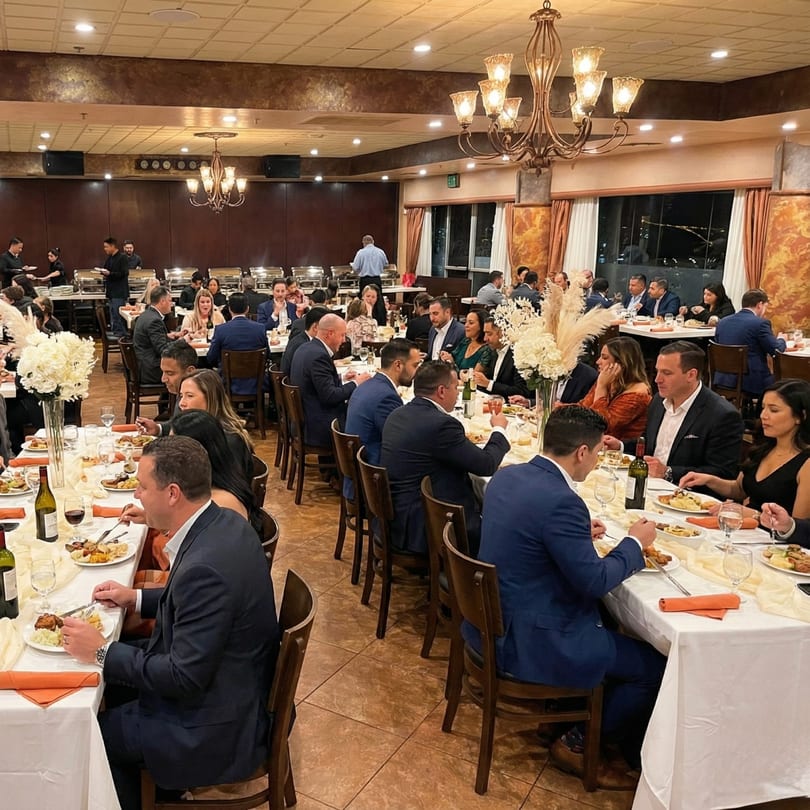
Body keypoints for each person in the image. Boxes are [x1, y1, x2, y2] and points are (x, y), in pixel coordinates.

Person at [61, 437, 279, 810]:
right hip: (230, 680)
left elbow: (184, 678)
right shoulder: (222, 520)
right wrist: (137, 598)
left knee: (88, 733)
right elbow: (200, 604)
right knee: (109, 683)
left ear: (173, 493)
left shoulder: (205, 567)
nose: (138, 494)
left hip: (215, 724)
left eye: (144, 487)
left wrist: (101, 650)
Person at [473, 406, 664, 787]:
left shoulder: (507, 476)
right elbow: (594, 582)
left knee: (613, 622)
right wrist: (634, 544)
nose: (594, 463)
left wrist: (575, 537)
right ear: (581, 451)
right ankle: (579, 744)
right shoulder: (563, 501)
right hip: (530, 637)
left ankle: (569, 717)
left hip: (493, 619)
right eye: (595, 455)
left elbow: (529, 536)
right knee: (655, 668)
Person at [381, 360, 510, 554]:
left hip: (396, 512)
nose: (458, 393)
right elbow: (486, 465)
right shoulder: (441, 425)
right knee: (505, 526)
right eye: (456, 387)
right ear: (441, 391)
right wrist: (499, 429)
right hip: (425, 524)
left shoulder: (398, 414)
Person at [605, 341, 743, 488]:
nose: (657, 379)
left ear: (691, 375)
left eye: (666, 373)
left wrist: (668, 472)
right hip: (648, 486)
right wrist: (619, 446)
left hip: (687, 496)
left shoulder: (722, 415)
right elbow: (649, 444)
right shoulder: (658, 401)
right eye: (658, 371)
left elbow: (721, 473)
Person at [680, 378, 810, 517]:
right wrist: (709, 480)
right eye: (763, 408)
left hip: (772, 536)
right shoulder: (764, 448)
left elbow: (798, 527)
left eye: (773, 410)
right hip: (744, 529)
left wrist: (753, 515)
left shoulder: (806, 463)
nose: (763, 416)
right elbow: (739, 489)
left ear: (800, 416)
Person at [170, 410, 262, 533]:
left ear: (197, 453)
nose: (167, 454)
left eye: (173, 448)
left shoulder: (220, 504)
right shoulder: (218, 475)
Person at [290, 313, 370, 447]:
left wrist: (341, 378)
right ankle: (353, 465)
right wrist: (356, 383)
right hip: (318, 425)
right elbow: (330, 396)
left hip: (307, 416)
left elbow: (314, 382)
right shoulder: (319, 356)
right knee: (365, 421)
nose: (344, 340)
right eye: (342, 335)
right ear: (330, 334)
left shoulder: (306, 347)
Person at [346, 338, 421, 467]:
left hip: (360, 468)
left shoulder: (367, 385)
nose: (417, 371)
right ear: (398, 365)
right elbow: (402, 441)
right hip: (373, 474)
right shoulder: (386, 398)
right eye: (415, 365)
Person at [177, 368, 255, 482]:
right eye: (181, 396)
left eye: (189, 396)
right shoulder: (198, 430)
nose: (181, 403)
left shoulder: (229, 441)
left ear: (210, 398)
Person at [576, 337, 652, 442]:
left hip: (619, 452)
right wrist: (558, 409)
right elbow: (583, 408)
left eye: (604, 358)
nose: (598, 362)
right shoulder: (608, 381)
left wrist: (601, 387)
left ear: (621, 363)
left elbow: (600, 425)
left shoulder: (637, 395)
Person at [714, 288, 786, 399]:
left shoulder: (723, 322)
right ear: (760, 305)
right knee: (783, 382)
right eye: (766, 307)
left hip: (722, 377)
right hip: (751, 381)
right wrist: (782, 339)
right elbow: (776, 351)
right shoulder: (760, 324)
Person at [206, 291, 268, 395]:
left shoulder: (221, 330)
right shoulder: (260, 329)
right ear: (247, 309)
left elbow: (211, 358)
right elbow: (267, 356)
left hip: (228, 383)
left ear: (229, 309)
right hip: (256, 382)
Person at [136, 340, 199, 437]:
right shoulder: (183, 392)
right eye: (163, 372)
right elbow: (178, 425)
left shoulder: (198, 398)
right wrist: (158, 429)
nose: (163, 379)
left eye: (170, 373)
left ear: (190, 371)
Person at [133, 285, 186, 386]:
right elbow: (163, 349)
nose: (171, 304)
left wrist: (172, 336)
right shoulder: (155, 321)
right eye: (170, 301)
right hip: (151, 370)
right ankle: (177, 400)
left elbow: (154, 340)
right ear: (162, 301)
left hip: (143, 364)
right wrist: (184, 340)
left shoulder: (146, 314)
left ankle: (166, 400)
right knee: (187, 368)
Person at [472, 317, 530, 399]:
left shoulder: (518, 354)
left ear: (502, 333)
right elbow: (486, 382)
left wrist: (489, 384)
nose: (485, 338)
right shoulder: (492, 352)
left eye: (489, 334)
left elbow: (521, 391)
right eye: (484, 334)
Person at [281, 306, 328, 377]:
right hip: (295, 385)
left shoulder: (301, 338)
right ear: (315, 327)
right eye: (327, 326)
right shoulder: (304, 345)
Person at [98, 237, 130, 338]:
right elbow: (107, 269)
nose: (105, 249)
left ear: (113, 246)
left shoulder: (122, 257)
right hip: (111, 291)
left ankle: (121, 335)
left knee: (118, 314)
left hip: (119, 292)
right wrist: (103, 272)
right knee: (112, 313)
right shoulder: (110, 258)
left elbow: (124, 273)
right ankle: (115, 332)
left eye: (106, 247)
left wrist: (109, 273)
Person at [426, 296, 465, 360]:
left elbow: (461, 361)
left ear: (447, 312)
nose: (432, 318)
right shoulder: (432, 329)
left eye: (435, 314)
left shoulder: (461, 332)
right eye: (430, 314)